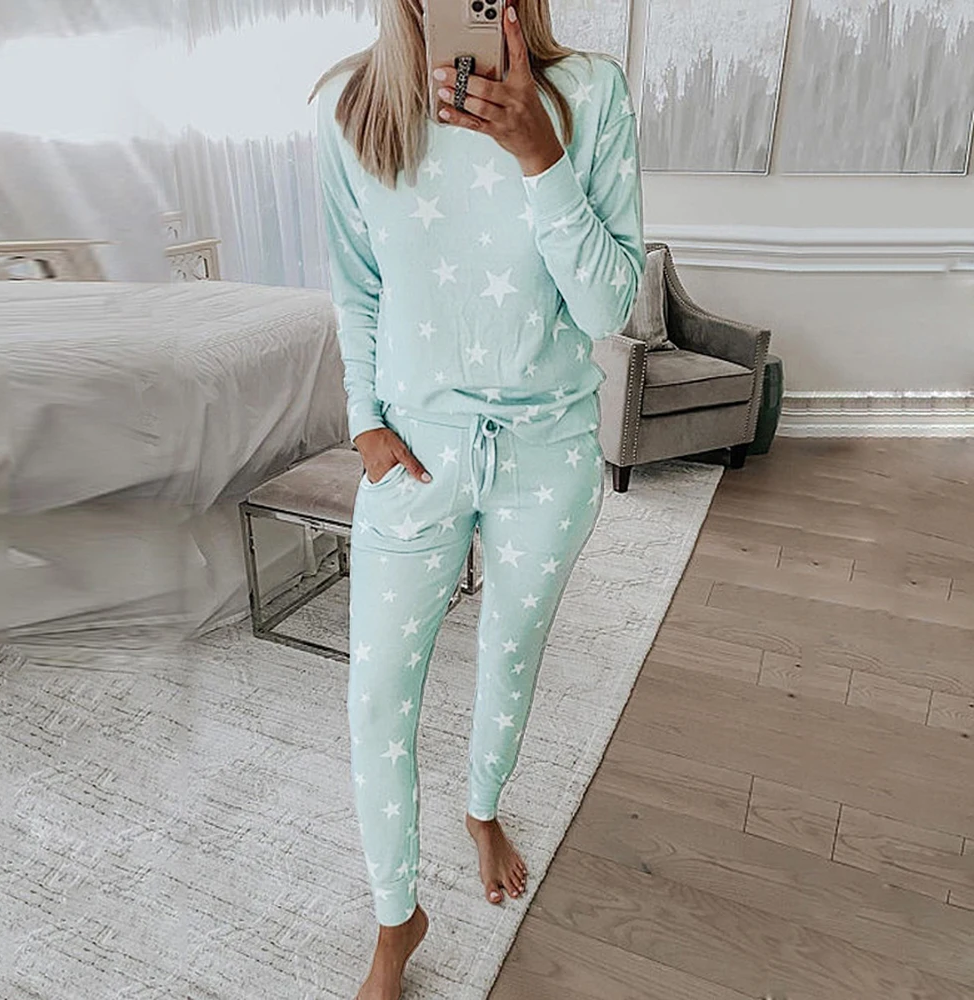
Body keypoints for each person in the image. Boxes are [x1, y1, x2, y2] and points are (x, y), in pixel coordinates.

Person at [309, 1, 644, 996]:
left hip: (547, 456)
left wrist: (539, 154)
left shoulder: (588, 94)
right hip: (412, 453)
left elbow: (608, 306)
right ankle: (396, 917)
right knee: (377, 695)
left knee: (510, 650)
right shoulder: (350, 106)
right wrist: (364, 422)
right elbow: (355, 286)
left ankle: (482, 807)